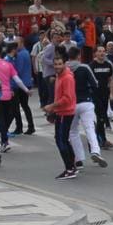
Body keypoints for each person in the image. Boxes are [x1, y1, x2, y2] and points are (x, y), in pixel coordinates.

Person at [42, 43, 78, 179]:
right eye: (55, 64)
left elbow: (67, 98)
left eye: (59, 64)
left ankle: (69, 168)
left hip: (65, 112)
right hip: (61, 112)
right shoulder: (60, 76)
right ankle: (72, 165)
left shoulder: (67, 77)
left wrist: (52, 106)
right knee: (63, 139)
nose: (57, 66)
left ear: (64, 64)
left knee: (61, 140)